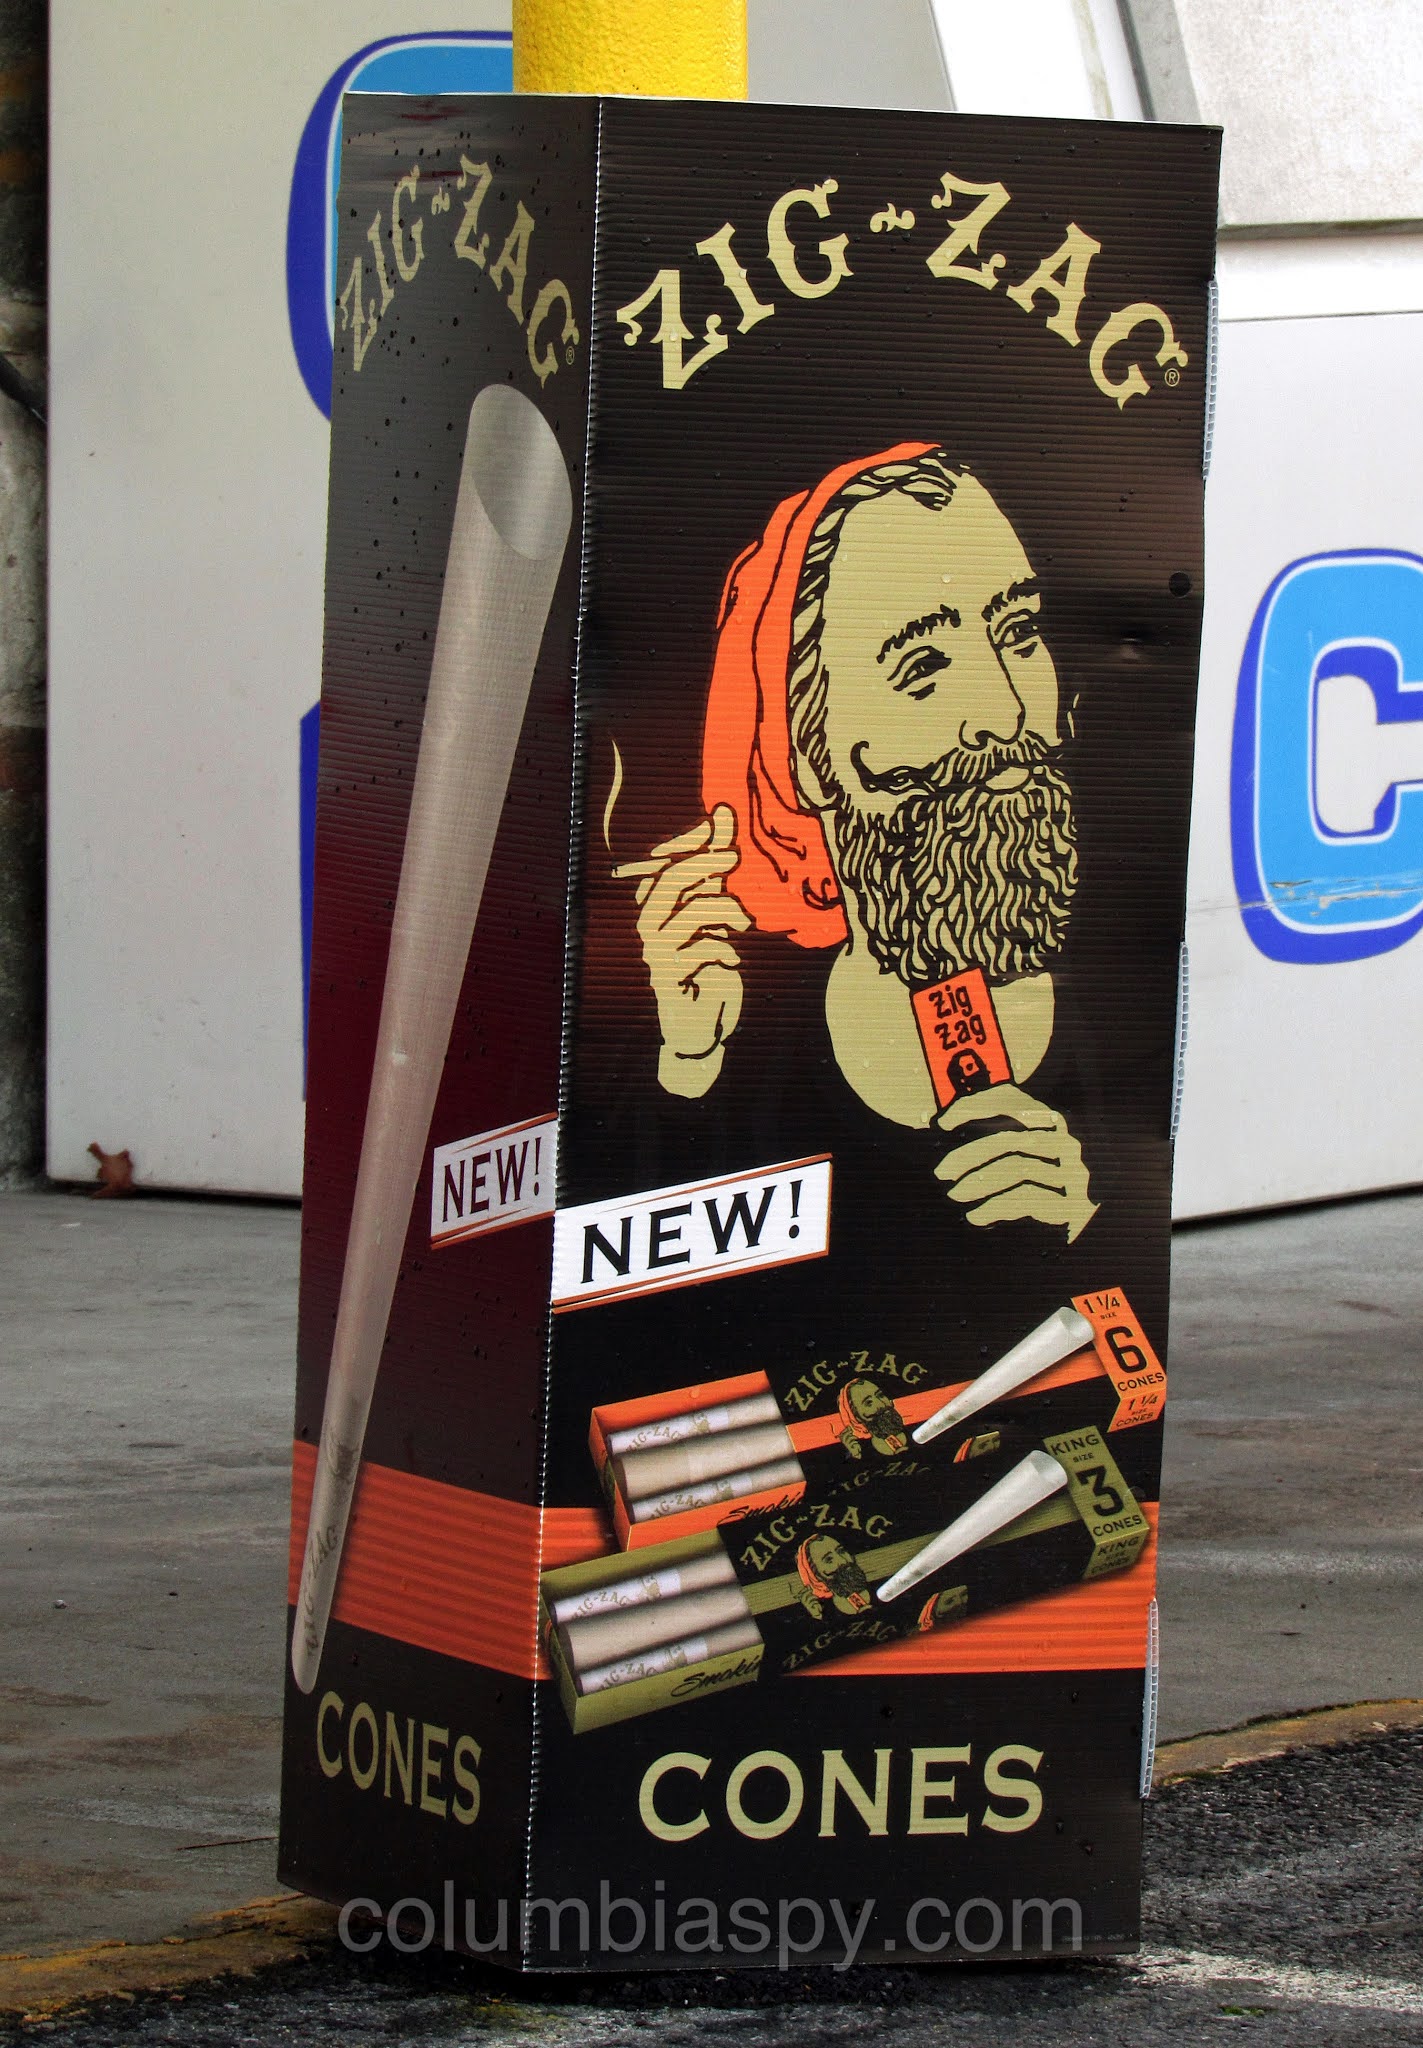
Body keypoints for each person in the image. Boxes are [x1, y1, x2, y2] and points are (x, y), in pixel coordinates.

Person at [631, 444, 1097, 1242]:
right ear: (805, 754)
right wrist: (689, 1063)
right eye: (922, 667)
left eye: (1016, 632)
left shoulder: (1126, 970)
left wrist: (1083, 1227)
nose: (1006, 712)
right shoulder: (748, 1032)